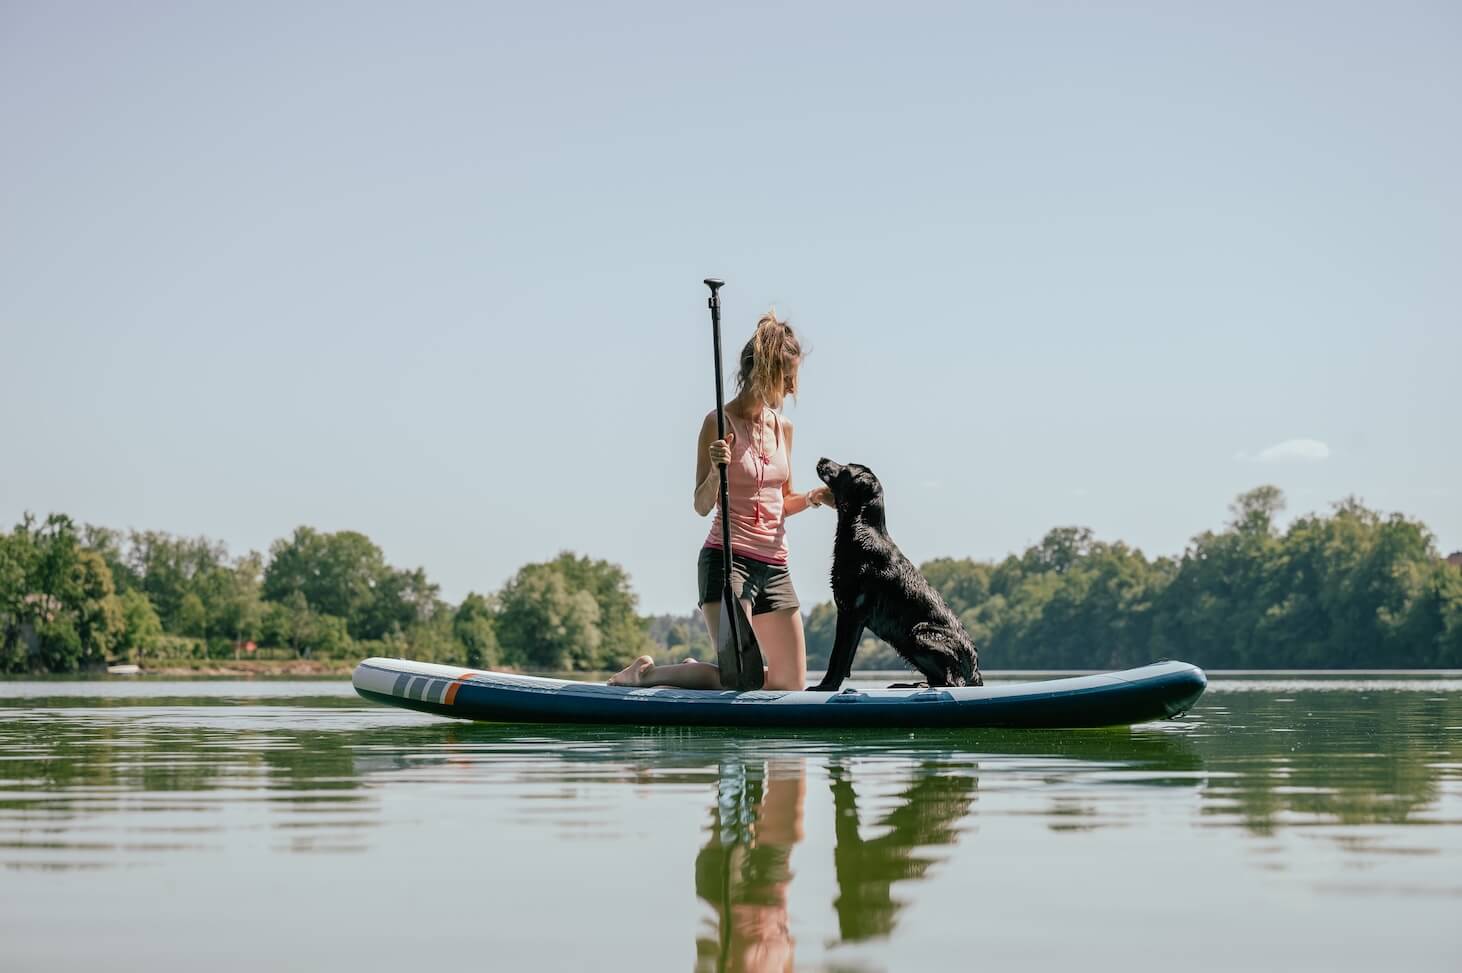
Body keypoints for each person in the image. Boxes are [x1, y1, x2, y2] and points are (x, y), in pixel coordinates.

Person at [609, 311, 831, 690]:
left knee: (790, 686)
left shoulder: (783, 428)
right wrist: (716, 471)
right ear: (765, 372)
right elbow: (700, 504)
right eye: (788, 376)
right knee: (735, 683)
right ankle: (643, 674)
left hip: (776, 567)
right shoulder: (717, 422)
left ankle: (694, 671)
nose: (793, 387)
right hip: (728, 563)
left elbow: (783, 499)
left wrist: (812, 498)